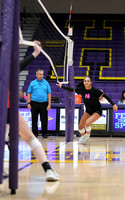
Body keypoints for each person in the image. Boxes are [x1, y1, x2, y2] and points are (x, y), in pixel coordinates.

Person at [6, 41, 59, 181]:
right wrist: (35, 52)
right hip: (6, 109)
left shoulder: (3, 69)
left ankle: (49, 169)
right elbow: (18, 67)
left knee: (10, 139)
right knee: (30, 138)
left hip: (6, 109)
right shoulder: (6, 70)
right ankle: (49, 170)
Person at [56, 76, 118, 144]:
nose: (86, 82)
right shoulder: (81, 90)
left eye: (88, 81)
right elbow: (71, 89)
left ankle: (87, 135)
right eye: (85, 81)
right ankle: (83, 138)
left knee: (87, 123)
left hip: (97, 111)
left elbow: (105, 96)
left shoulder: (95, 90)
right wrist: (62, 86)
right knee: (80, 127)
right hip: (88, 111)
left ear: (91, 82)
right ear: (83, 82)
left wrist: (113, 104)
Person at [27, 69, 51, 138]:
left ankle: (44, 133)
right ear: (36, 75)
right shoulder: (32, 83)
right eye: (40, 74)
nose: (41, 76)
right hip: (34, 103)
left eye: (42, 74)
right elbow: (29, 94)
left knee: (44, 119)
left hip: (44, 103)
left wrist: (49, 104)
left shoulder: (46, 83)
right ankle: (35, 133)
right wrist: (28, 103)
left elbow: (49, 94)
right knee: (34, 119)